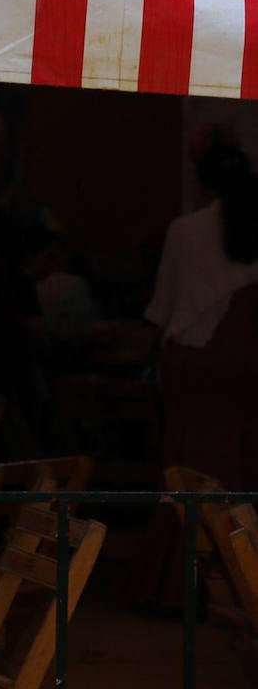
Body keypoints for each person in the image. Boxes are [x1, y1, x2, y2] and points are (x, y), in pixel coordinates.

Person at [134, 129, 258, 612]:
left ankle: (182, 585)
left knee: (190, 473)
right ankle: (247, 581)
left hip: (194, 367)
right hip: (249, 361)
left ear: (202, 184)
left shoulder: (184, 231)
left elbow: (163, 312)